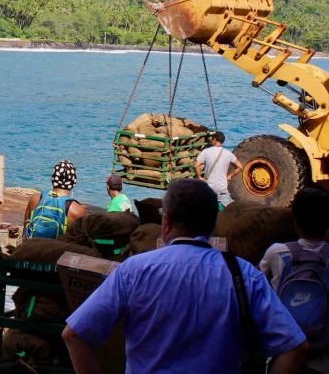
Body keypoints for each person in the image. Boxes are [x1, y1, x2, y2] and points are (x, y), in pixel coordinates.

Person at [62, 178, 307, 374]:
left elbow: (73, 335)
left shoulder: (133, 271)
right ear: (212, 225)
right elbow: (295, 347)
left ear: (166, 222)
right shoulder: (243, 275)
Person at [260, 187, 329, 373]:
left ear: (295, 222)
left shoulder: (277, 252)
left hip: (283, 351)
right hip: (322, 355)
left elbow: (260, 286)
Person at [23, 160, 86, 239]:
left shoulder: (35, 199)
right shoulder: (77, 210)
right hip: (57, 250)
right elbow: (79, 244)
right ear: (74, 182)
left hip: (31, 248)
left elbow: (25, 231)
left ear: (52, 178)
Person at [194, 130, 243, 207]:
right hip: (222, 188)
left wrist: (199, 177)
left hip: (209, 188)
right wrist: (230, 176)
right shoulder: (228, 153)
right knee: (226, 211)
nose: (210, 140)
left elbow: (196, 165)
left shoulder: (205, 152)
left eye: (211, 138)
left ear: (214, 139)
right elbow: (240, 166)